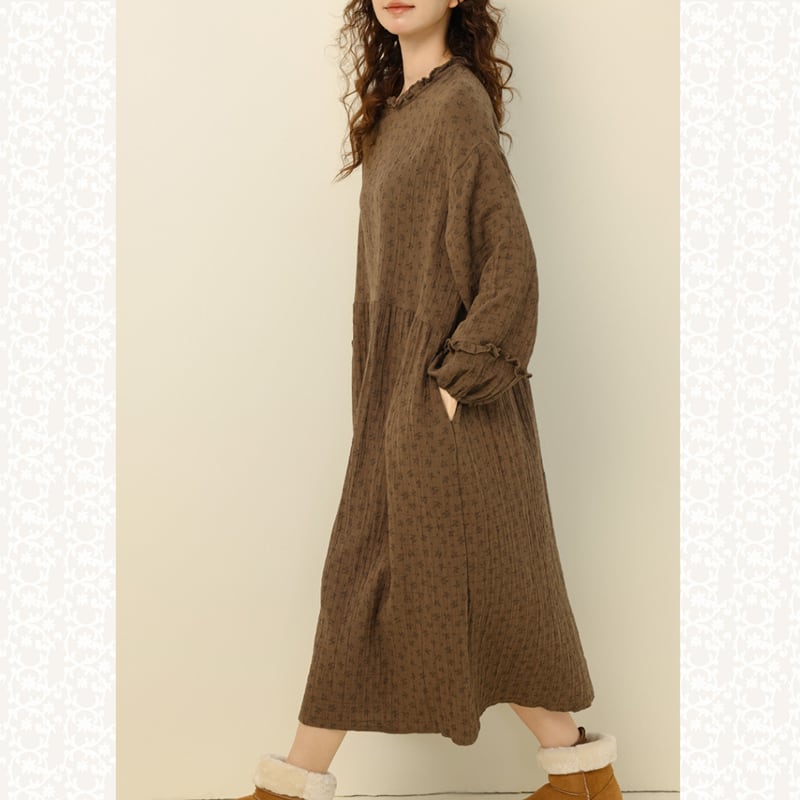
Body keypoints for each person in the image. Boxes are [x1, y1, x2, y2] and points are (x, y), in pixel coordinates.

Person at [235, 2, 623, 799]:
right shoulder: (395, 116)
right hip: (398, 405)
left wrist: (451, 390)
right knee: (420, 593)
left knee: (415, 593)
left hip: (441, 408)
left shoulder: (456, 104)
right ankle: (584, 778)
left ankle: (291, 786)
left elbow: (509, 263)